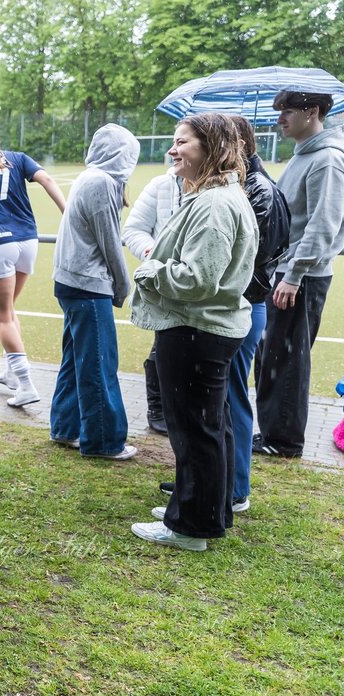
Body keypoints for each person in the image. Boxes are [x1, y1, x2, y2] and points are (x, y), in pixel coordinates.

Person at [131, 114, 257, 551]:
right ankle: (206, 509)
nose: (172, 150)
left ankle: (189, 527)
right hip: (205, 328)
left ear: (211, 146)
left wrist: (150, 271)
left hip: (195, 330)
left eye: (182, 142)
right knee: (210, 427)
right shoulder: (217, 195)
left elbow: (197, 279)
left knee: (194, 431)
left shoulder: (215, 204)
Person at [253, 90, 344, 458]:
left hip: (301, 278)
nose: (280, 120)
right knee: (272, 355)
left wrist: (294, 275)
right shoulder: (304, 155)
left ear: (312, 112)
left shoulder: (327, 160)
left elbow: (324, 225)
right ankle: (273, 433)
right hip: (287, 274)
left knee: (288, 359)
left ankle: (284, 441)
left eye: (287, 112)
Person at [49, 125, 140, 461]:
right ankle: (104, 440)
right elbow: (110, 243)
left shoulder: (89, 178)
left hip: (72, 282)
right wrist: (122, 285)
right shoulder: (102, 182)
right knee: (99, 363)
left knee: (76, 360)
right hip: (87, 285)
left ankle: (65, 427)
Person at [0, 124, 65, 407]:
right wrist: (67, 214)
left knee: (2, 316)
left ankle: (27, 385)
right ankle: (11, 373)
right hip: (27, 241)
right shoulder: (18, 158)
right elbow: (48, 181)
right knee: (8, 310)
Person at [121, 168, 184, 434]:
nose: (174, 151)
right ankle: (158, 409)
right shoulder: (161, 185)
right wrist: (154, 255)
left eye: (183, 143)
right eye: (175, 143)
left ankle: (180, 411)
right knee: (163, 347)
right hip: (166, 285)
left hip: (201, 287)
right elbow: (133, 230)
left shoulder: (218, 189)